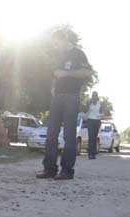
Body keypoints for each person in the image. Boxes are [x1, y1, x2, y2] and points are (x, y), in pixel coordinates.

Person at [37, 29, 92, 180]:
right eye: (53, 44)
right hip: (57, 98)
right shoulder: (57, 55)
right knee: (51, 133)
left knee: (69, 135)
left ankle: (67, 171)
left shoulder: (78, 54)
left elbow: (87, 73)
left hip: (71, 98)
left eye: (56, 43)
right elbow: (55, 74)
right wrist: (53, 87)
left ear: (64, 40)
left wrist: (68, 73)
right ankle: (49, 169)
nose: (55, 46)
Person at [85, 91, 102, 159]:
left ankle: (93, 154)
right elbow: (85, 110)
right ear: (92, 96)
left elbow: (101, 111)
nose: (94, 97)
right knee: (91, 137)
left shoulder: (100, 103)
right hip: (90, 121)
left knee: (94, 137)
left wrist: (101, 114)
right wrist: (89, 104)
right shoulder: (89, 102)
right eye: (93, 96)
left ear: (97, 97)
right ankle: (90, 154)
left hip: (97, 121)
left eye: (95, 96)